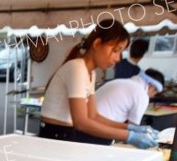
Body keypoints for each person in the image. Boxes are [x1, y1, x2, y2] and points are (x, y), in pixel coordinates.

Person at [39, 19, 157, 148]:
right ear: (97, 43)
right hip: (54, 136)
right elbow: (81, 122)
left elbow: (94, 115)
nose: (118, 58)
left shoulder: (90, 73)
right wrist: (128, 136)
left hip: (66, 135)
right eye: (116, 50)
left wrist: (129, 127)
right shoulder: (77, 68)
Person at [96, 69, 164, 127]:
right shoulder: (142, 94)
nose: (152, 96)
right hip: (99, 128)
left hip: (89, 123)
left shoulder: (119, 81)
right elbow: (133, 127)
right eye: (155, 93)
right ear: (151, 88)